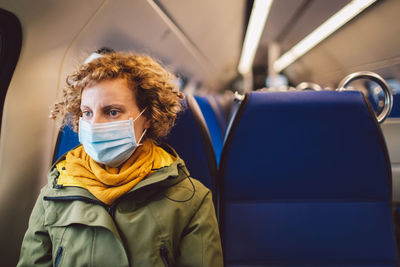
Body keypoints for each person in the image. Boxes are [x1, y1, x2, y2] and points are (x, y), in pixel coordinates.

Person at [17, 50, 223, 266]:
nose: (94, 124)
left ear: (148, 117)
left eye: (112, 112)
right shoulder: (54, 192)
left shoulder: (190, 200)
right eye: (87, 112)